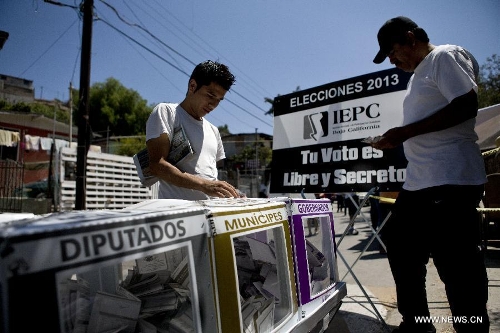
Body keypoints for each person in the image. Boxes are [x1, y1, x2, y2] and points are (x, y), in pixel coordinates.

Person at [370, 17, 489, 333]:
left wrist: (403, 132)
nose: (393, 60)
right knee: (400, 245)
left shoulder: (444, 56)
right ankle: (418, 324)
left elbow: (466, 105)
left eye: (393, 52)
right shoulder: (418, 77)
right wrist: (396, 138)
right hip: (420, 181)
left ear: (411, 39)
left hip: (449, 178)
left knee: (456, 263)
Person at [146, 60, 240, 200]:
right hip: (178, 216)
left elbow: (209, 176)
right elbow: (156, 165)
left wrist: (231, 194)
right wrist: (203, 185)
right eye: (210, 95)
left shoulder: (214, 131)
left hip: (210, 215)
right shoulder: (167, 113)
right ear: (192, 86)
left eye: (219, 100)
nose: (213, 105)